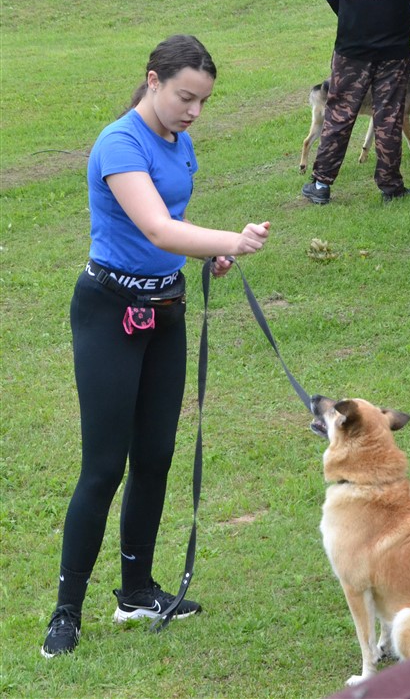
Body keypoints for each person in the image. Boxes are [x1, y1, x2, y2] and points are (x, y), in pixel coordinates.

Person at [41, 35, 270, 658]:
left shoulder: (178, 142)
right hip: (109, 313)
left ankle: (136, 593)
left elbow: (171, 231)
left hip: (165, 312)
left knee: (156, 457)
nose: (193, 111)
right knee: (103, 467)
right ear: (153, 80)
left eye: (202, 102)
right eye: (184, 97)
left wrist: (207, 253)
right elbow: (155, 226)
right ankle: (66, 612)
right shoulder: (120, 143)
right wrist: (229, 239)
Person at [301, 0, 410, 205]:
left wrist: (351, 20)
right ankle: (391, 186)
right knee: (390, 115)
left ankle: (321, 185)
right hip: (394, 48)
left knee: (340, 114)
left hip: (352, 47)